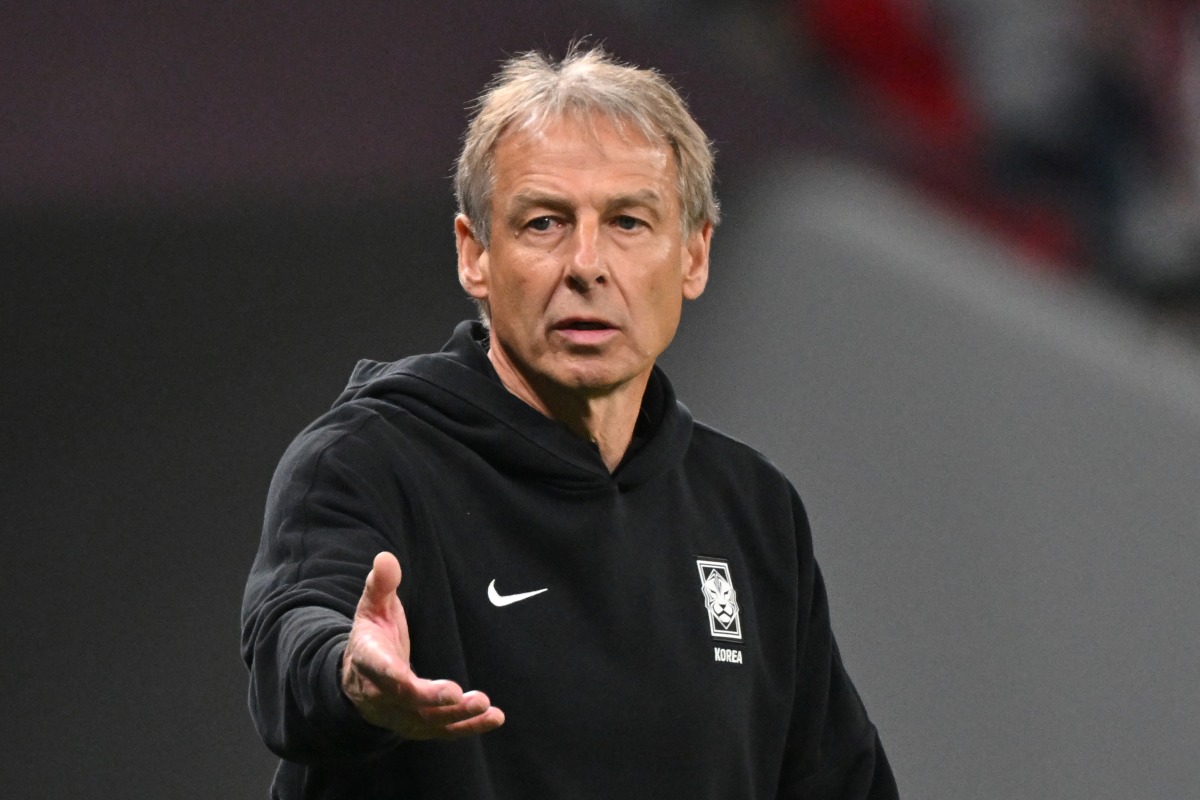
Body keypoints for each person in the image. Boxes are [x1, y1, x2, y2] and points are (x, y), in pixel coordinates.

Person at [241, 45, 899, 799]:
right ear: (475, 255)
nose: (587, 264)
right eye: (546, 223)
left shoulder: (753, 511)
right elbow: (292, 636)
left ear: (693, 255)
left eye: (627, 222)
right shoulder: (367, 460)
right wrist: (349, 675)